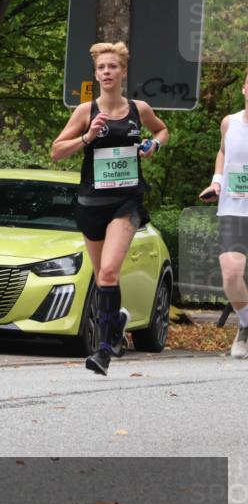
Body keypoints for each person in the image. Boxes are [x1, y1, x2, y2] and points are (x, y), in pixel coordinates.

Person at [51, 41, 169, 375]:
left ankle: (103, 349)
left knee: (107, 272)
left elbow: (162, 130)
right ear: (96, 74)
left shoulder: (138, 109)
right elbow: (56, 151)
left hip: (126, 202)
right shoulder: (85, 112)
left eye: (112, 67)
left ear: (123, 72)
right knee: (104, 281)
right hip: (91, 204)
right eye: (101, 68)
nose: (106, 72)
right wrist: (87, 137)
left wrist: (153, 145)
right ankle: (116, 320)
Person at [199, 71, 248, 359]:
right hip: (233, 208)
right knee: (231, 274)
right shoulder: (229, 122)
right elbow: (222, 152)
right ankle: (245, 323)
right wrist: (217, 181)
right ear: (243, 89)